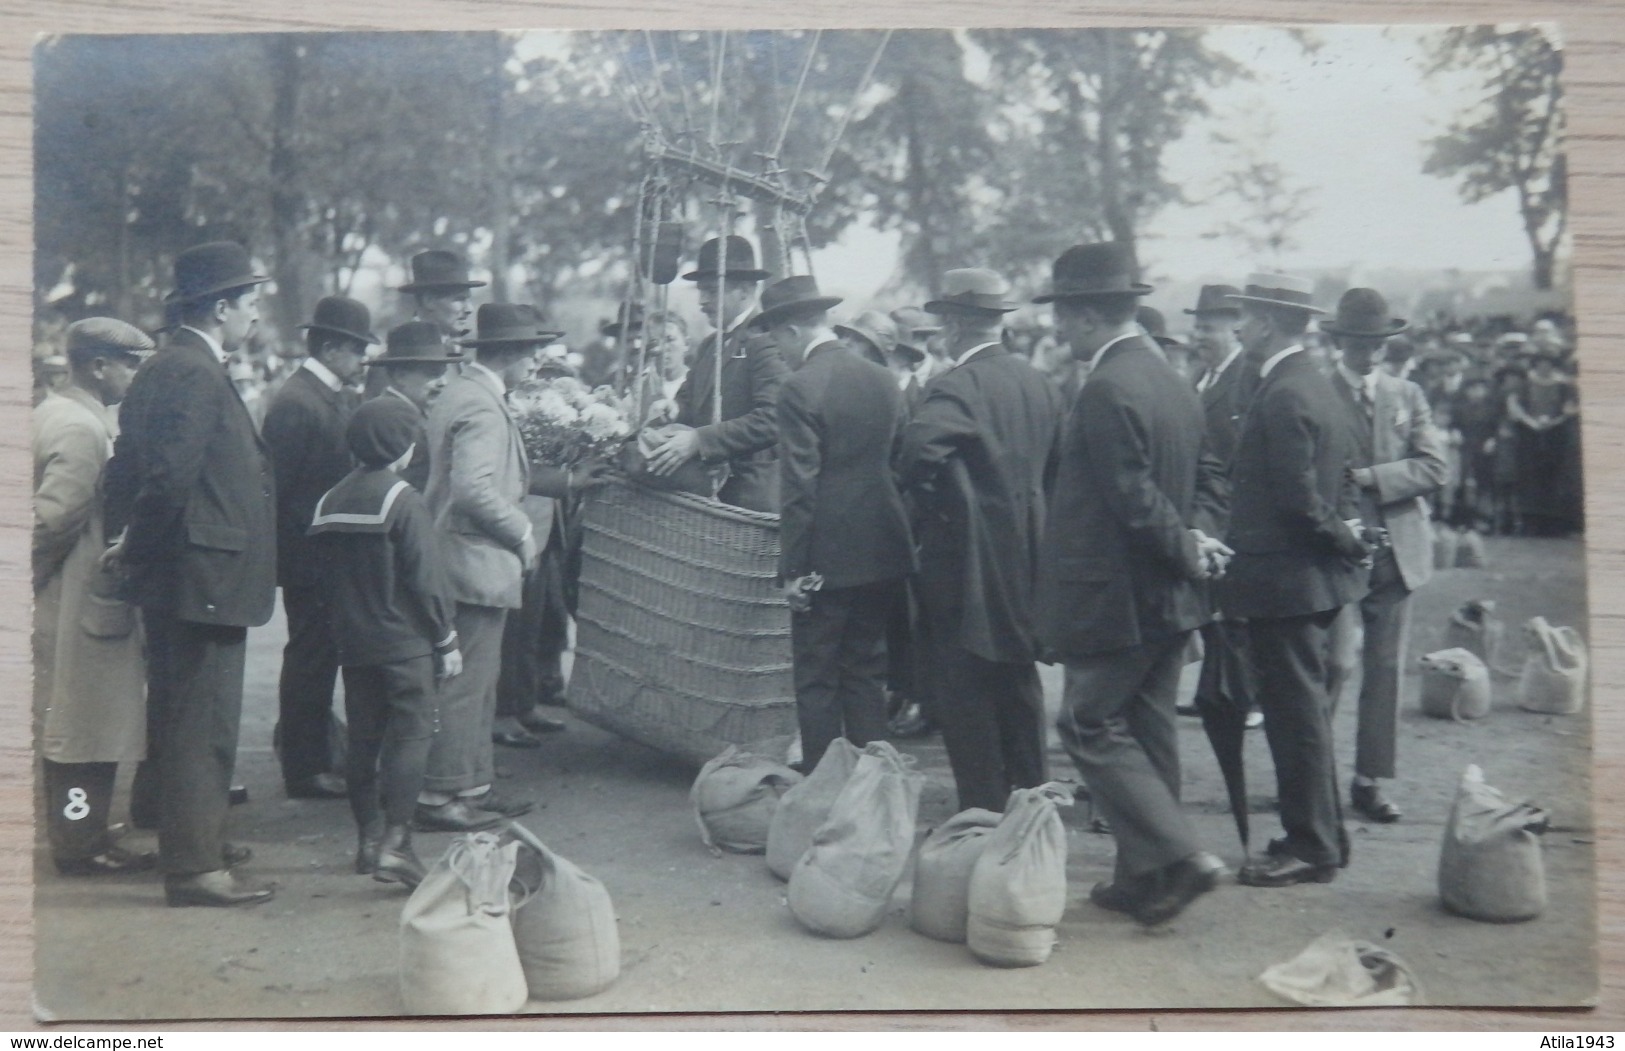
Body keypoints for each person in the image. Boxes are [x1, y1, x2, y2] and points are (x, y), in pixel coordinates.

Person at [1030, 243, 1229, 927]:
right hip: (1169, 595)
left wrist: (1185, 548)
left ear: (1087, 315)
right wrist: (1197, 540)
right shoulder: (1171, 377)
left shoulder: (1107, 386)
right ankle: (1146, 880)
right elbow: (1208, 475)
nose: (1058, 329)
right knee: (1148, 733)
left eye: (1062, 314)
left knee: (1085, 722)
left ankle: (1178, 857)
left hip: (1119, 594)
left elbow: (1130, 494)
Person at [103, 241, 278, 907]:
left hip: (190, 569)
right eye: (251, 302)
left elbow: (125, 465)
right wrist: (136, 545)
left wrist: (128, 541)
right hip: (203, 572)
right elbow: (168, 476)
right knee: (201, 721)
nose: (256, 314)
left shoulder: (165, 365)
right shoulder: (195, 371)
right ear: (222, 306)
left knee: (181, 713)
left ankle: (191, 839)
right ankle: (196, 867)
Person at [1218, 273, 1369, 889]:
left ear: (1268, 323)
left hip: (1286, 583)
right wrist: (1347, 537)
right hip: (1307, 583)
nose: (1237, 325)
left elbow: (1299, 502)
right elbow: (1345, 476)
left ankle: (1310, 845)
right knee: (1300, 713)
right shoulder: (1312, 383)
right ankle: (1322, 834)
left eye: (1246, 315)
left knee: (1293, 717)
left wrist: (1343, 537)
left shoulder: (1283, 392)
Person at [895, 268, 1062, 813]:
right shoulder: (1039, 382)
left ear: (960, 323)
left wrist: (935, 503)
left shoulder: (957, 385)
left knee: (964, 686)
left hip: (964, 558)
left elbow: (916, 453)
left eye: (943, 319)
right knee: (1018, 681)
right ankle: (1033, 803)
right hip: (1030, 554)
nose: (938, 329)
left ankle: (983, 812)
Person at [761, 277, 915, 773]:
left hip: (825, 557)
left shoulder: (800, 387)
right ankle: (874, 789)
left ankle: (824, 791)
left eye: (777, 341)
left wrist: (793, 570)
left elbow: (800, 488)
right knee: (866, 673)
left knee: (817, 676)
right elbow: (901, 462)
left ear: (791, 331)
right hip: (885, 548)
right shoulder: (883, 378)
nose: (779, 354)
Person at [309, 397, 463, 889]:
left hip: (354, 645)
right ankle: (399, 843)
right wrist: (446, 638)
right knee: (412, 736)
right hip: (405, 643)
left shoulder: (328, 502)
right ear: (403, 446)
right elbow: (427, 580)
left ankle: (368, 841)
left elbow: (322, 581)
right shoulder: (402, 499)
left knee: (364, 738)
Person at [416, 303, 554, 831]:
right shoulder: (480, 406)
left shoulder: (461, 394)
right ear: (512, 354)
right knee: (465, 683)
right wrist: (520, 532)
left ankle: (469, 785)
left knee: (477, 680)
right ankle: (440, 795)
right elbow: (474, 490)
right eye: (532, 352)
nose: (537, 363)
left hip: (459, 556)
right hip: (471, 562)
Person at [1320, 288, 1448, 826]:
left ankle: (1368, 780)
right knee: (1334, 663)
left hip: (1397, 550)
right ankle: (1313, 778)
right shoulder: (1317, 392)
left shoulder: (1406, 395)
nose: (1368, 353)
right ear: (1340, 341)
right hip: (1336, 552)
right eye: (1358, 342)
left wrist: (1377, 478)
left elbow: (1435, 467)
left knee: (1385, 668)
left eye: (1377, 343)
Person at [34, 318, 156, 876]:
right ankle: (79, 844)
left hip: (67, 598)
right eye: (129, 363)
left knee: (79, 728)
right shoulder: (82, 429)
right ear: (98, 365)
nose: (134, 375)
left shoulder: (50, 413)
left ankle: (82, 836)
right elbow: (53, 519)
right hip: (79, 599)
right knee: (81, 734)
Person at [262, 295, 378, 800]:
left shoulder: (321, 395)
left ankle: (308, 752)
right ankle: (303, 766)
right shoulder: (296, 402)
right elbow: (279, 490)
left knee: (318, 655)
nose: (362, 361)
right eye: (357, 350)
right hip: (310, 556)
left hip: (322, 553)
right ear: (332, 348)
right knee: (310, 657)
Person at [645, 236, 789, 512]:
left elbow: (774, 418)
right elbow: (689, 399)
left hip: (748, 500)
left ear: (745, 291)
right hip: (704, 493)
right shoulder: (710, 345)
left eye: (711, 291)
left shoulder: (765, 342)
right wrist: (673, 409)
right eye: (701, 291)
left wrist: (700, 440)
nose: (702, 301)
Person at [1184, 284, 1260, 728]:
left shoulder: (1245, 379)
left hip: (1234, 511)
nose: (1199, 337)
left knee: (1235, 611)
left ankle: (1245, 696)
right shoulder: (1200, 377)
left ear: (1235, 328)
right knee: (1212, 605)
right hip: (1207, 508)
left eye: (1208, 328)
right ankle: (1214, 688)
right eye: (1195, 328)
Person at [361, 320, 464, 492]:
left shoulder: (417, 412)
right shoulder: (387, 422)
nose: (443, 382)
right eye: (433, 374)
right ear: (400, 376)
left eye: (443, 372)